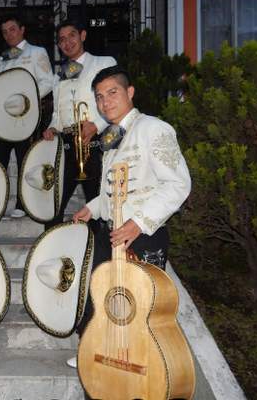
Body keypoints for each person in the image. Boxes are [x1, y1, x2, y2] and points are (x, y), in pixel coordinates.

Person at [68, 65, 192, 371]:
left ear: (130, 92)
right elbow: (116, 192)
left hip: (143, 236)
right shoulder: (111, 137)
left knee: (138, 311)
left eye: (112, 93)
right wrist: (93, 208)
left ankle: (135, 373)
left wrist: (137, 224)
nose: (105, 102)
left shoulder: (154, 128)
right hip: (111, 235)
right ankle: (98, 354)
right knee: (102, 300)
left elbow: (179, 184)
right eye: (99, 97)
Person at [42, 20, 117, 229]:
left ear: (83, 35)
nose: (67, 42)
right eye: (62, 39)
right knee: (54, 205)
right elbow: (58, 113)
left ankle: (98, 253)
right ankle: (50, 250)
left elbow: (116, 103)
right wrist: (52, 128)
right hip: (67, 144)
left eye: (72, 35)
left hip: (94, 139)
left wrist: (98, 125)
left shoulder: (104, 63)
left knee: (97, 203)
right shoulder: (59, 76)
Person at [0, 15, 54, 218]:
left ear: (22, 30)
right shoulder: (2, 58)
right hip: (3, 120)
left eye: (12, 29)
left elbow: (47, 82)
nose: (8, 34)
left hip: (27, 117)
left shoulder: (37, 52)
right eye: (4, 31)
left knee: (24, 161)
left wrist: (26, 100)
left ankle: (22, 203)